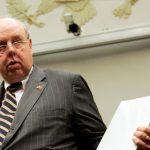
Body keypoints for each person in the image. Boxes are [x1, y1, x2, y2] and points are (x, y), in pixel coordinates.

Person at [0, 17, 106, 150]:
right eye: (1, 46)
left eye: (17, 42)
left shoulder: (67, 84)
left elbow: (100, 142)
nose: (11, 50)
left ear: (30, 45)